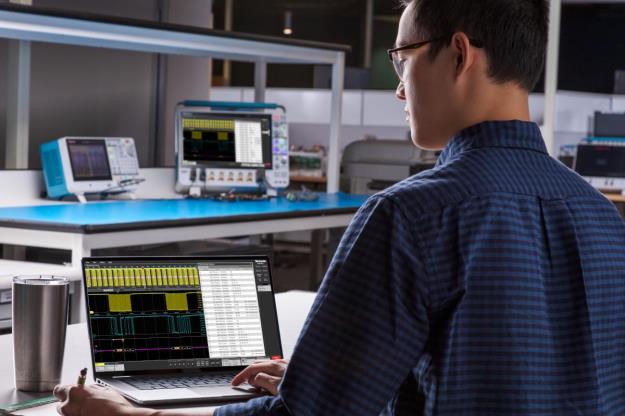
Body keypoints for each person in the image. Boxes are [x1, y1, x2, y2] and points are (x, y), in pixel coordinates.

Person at [54, 0, 625, 414]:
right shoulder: (602, 218)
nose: (399, 89)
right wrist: (332, 378)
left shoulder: (410, 216)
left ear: (457, 55)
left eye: (402, 60)